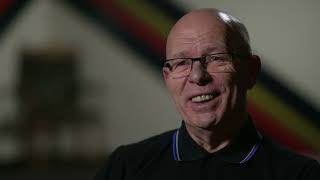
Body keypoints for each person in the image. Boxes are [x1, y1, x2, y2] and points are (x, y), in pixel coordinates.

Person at [95, 8, 320, 180]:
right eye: (181, 63)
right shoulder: (125, 168)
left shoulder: (301, 175)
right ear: (167, 77)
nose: (197, 76)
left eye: (216, 58)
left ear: (251, 72)